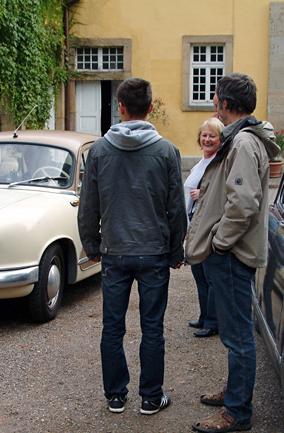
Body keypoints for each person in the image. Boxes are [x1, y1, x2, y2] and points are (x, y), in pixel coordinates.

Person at [77, 78, 187, 416]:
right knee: (152, 327)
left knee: (113, 326)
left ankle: (116, 396)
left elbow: (88, 204)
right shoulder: (166, 151)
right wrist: (176, 250)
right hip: (153, 251)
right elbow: (176, 207)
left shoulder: (99, 150)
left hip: (115, 251)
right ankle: (151, 397)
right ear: (150, 108)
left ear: (119, 107)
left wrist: (91, 244)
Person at [185, 73, 280, 433]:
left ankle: (237, 411)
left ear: (224, 103)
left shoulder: (242, 142)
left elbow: (242, 204)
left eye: (215, 101)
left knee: (238, 335)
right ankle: (234, 393)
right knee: (233, 331)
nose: (214, 106)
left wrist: (220, 243)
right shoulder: (242, 139)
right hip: (232, 252)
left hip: (232, 254)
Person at [184, 117, 224, 338]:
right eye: (204, 135)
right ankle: (204, 316)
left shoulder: (219, 163)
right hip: (195, 226)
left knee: (210, 276)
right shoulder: (203, 161)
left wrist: (205, 193)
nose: (207, 139)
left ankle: (213, 322)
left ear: (221, 140)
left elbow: (225, 192)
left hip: (207, 227)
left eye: (212, 136)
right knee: (199, 274)